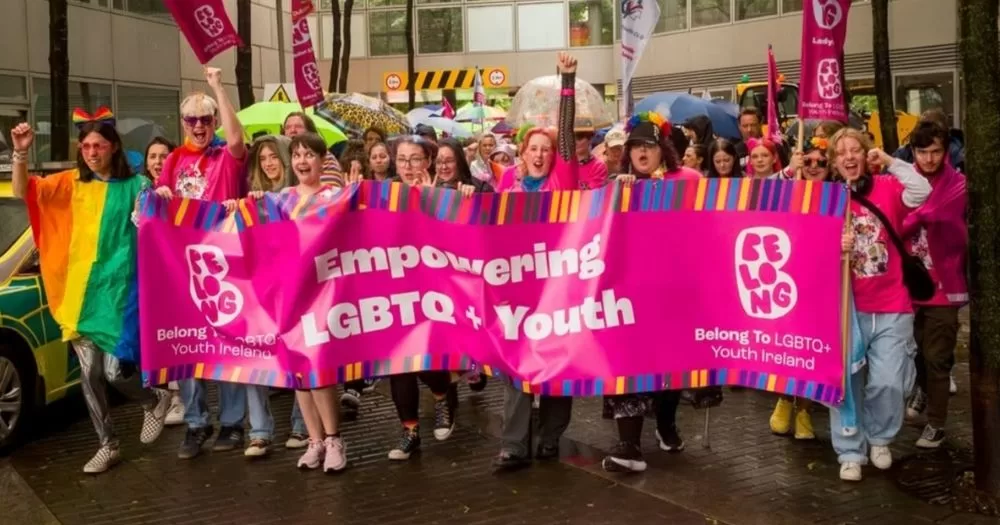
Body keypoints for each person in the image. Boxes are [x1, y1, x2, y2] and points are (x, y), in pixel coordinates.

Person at [9, 112, 171, 474]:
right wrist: (20, 153)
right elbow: (24, 192)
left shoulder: (137, 185)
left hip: (119, 293)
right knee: (90, 374)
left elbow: (157, 226)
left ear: (113, 148)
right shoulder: (69, 183)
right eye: (85, 146)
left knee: (116, 373)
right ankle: (107, 444)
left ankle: (155, 398)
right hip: (78, 295)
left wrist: (159, 201)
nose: (91, 152)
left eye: (98, 145)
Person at [155, 67, 253, 460]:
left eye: (206, 119)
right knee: (187, 347)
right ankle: (196, 424)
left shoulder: (226, 157)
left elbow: (237, 138)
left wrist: (217, 87)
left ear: (214, 121)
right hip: (182, 267)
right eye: (192, 120)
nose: (199, 126)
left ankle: (232, 422)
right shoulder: (175, 158)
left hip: (223, 265)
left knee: (226, 345)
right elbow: (160, 204)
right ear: (183, 123)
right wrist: (161, 192)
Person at [827, 128, 932, 482]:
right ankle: (850, 450)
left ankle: (880, 438)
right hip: (847, 307)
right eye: (841, 152)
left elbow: (922, 190)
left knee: (887, 382)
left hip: (891, 305)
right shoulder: (826, 199)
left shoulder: (887, 186)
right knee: (847, 384)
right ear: (834, 161)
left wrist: (890, 161)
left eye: (856, 149)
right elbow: (802, 250)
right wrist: (831, 246)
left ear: (866, 154)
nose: (849, 157)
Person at [493, 52, 579, 471]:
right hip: (518, 289)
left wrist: (568, 81)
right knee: (517, 366)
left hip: (560, 289)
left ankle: (548, 437)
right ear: (522, 153)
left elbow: (565, 136)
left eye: (547, 150)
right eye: (534, 148)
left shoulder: (563, 180)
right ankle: (513, 443)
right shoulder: (507, 184)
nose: (542, 155)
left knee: (558, 365)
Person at [602, 112, 700, 473]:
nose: (642, 153)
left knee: (669, 366)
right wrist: (618, 193)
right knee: (626, 365)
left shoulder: (687, 180)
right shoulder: (618, 185)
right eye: (635, 147)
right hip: (628, 294)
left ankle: (665, 422)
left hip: (675, 291)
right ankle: (628, 445)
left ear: (662, 150)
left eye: (649, 145)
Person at [382, 135, 465, 460]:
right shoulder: (384, 193)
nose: (407, 166)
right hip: (393, 289)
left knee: (425, 357)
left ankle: (443, 392)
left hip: (433, 290)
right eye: (401, 159)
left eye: (415, 159)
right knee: (398, 362)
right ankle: (410, 430)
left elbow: (456, 237)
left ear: (428, 161)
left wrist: (431, 199)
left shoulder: (443, 193)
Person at [284, 133, 354, 473]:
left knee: (320, 368)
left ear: (322, 159)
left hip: (323, 294)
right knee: (299, 372)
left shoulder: (333, 197)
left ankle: (334, 438)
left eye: (308, 154)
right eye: (296, 154)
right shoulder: (281, 199)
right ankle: (314, 441)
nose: (301, 161)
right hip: (289, 294)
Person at [900, 121, 967, 449]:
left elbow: (937, 215)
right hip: (908, 285)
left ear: (946, 151)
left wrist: (913, 217)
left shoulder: (958, 184)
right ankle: (923, 390)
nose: (928, 159)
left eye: (936, 151)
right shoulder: (900, 179)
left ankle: (937, 423)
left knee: (938, 356)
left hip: (944, 284)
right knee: (915, 353)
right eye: (922, 151)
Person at [282, 112, 344, 186]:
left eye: (298, 126)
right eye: (287, 127)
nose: (292, 130)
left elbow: (330, 190)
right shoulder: (283, 155)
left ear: (310, 131)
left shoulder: (323, 156)